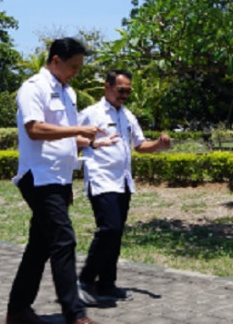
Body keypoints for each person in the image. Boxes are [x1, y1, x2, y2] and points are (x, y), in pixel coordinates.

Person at [5, 38, 113, 324]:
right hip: (38, 177)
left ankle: (17, 311)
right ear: (55, 61)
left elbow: (66, 137)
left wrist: (92, 143)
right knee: (64, 240)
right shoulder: (33, 88)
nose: (76, 72)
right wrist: (78, 128)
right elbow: (35, 129)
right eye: (73, 66)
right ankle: (75, 314)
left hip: (59, 178)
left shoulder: (69, 93)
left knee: (39, 246)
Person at [76, 69, 171, 305]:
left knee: (116, 234)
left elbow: (139, 145)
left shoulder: (127, 115)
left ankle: (107, 284)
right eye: (121, 90)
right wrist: (94, 142)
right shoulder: (91, 113)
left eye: (128, 91)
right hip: (101, 178)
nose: (124, 95)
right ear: (107, 87)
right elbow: (71, 138)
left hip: (123, 181)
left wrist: (159, 144)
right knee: (109, 229)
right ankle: (85, 280)